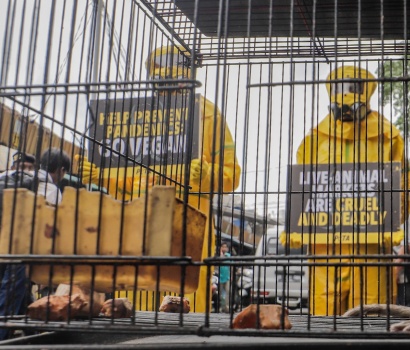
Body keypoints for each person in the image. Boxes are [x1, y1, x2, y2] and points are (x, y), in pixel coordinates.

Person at [77, 46, 241, 312]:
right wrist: (103, 175)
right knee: (136, 308)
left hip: (188, 229)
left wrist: (208, 174)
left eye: (172, 84)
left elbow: (231, 174)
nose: (167, 92)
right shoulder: (138, 116)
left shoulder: (209, 115)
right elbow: (131, 178)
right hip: (141, 227)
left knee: (186, 309)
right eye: (160, 84)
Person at [294, 65, 410, 316]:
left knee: (371, 316)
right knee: (325, 316)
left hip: (369, 246)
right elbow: (302, 189)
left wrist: (392, 221)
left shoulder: (388, 136)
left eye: (353, 90)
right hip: (326, 246)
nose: (346, 99)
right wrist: (296, 227)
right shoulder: (315, 138)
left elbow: (403, 188)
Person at [0, 148, 70, 340]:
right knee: (11, 294)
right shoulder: (50, 189)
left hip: (3, 240)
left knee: (17, 293)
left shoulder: (10, 174)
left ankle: (31, 333)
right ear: (61, 170)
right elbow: (51, 228)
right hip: (22, 247)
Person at [216, 242, 231, 313]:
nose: (224, 248)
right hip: (219, 277)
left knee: (227, 292)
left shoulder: (228, 255)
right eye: (223, 247)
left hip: (227, 277)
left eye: (226, 247)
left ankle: (226, 307)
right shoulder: (218, 256)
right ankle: (221, 307)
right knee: (220, 293)